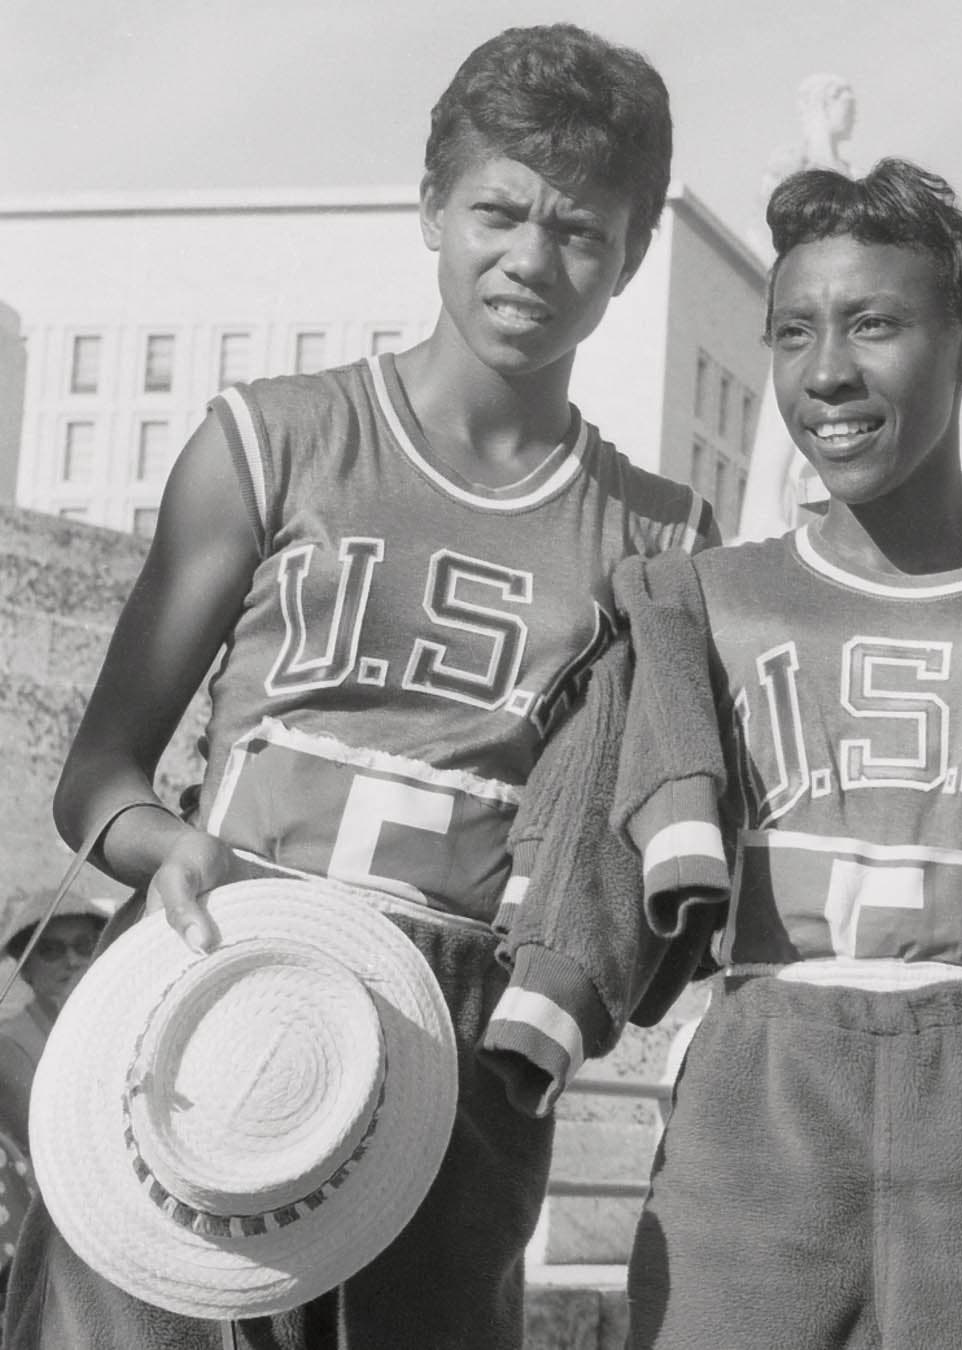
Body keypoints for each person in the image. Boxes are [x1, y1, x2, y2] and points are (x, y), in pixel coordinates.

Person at [15, 23, 708, 1349]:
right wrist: (173, 847)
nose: (531, 258)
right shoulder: (273, 440)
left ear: (630, 257)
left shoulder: (660, 539)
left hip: (460, 1038)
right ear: (432, 206)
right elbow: (96, 779)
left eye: (580, 230)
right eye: (499, 210)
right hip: (221, 980)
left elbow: (637, 862)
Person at [598, 159, 962, 1350]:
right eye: (794, 332)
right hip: (764, 1093)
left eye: (874, 325)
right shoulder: (705, 600)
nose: (828, 371)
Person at [0, 902, 110, 1160]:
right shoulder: (9, 1043)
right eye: (51, 951)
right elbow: (43, 1137)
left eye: (84, 946)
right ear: (25, 967)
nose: (72, 961)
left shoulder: (117, 1020)